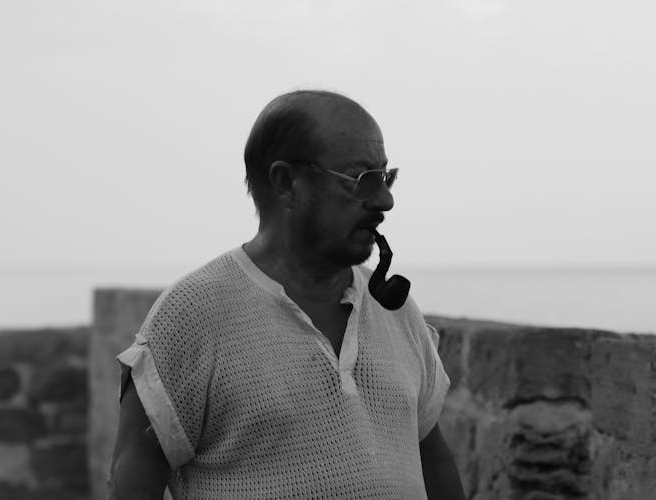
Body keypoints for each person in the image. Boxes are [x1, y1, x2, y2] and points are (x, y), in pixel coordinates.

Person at [108, 90, 465, 499]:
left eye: (386, 178)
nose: (385, 200)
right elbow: (131, 480)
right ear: (286, 183)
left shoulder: (396, 312)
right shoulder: (193, 313)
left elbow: (431, 459)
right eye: (364, 181)